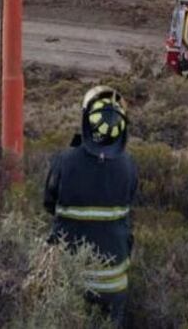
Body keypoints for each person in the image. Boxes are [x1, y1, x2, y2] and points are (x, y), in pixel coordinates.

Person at [44, 85, 137, 326]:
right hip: (114, 280)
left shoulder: (64, 161)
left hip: (72, 276)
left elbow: (49, 203)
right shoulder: (129, 166)